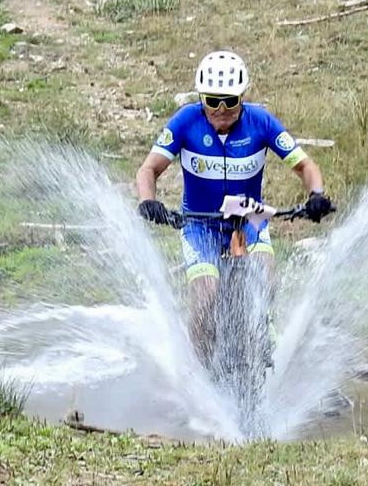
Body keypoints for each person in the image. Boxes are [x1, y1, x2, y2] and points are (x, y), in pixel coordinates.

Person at [135, 50, 334, 363]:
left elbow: (305, 165)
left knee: (266, 281)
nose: (222, 109)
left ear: (243, 96)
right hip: (200, 225)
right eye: (213, 101)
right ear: (201, 98)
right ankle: (201, 380)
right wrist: (149, 201)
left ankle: (262, 330)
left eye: (230, 100)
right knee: (206, 301)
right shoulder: (187, 121)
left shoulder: (261, 121)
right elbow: (148, 170)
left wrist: (316, 194)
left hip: (249, 222)